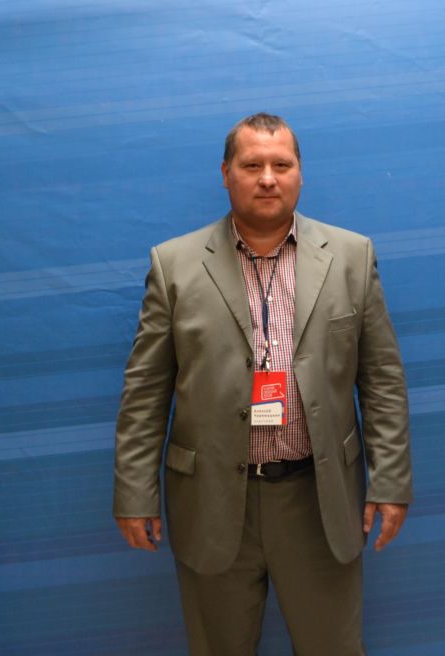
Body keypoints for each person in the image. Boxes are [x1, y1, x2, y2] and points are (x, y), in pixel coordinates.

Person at [113, 113, 412, 655]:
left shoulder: (352, 256)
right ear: (226, 173)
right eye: (252, 165)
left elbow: (382, 381)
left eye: (282, 164)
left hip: (318, 499)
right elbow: (146, 393)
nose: (268, 178)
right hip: (211, 501)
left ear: (301, 173)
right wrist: (135, 493)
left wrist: (390, 481)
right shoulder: (174, 265)